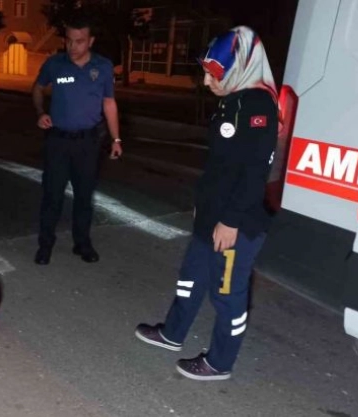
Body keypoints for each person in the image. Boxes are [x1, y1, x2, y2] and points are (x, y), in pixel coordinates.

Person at [135, 26, 279, 381]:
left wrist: (231, 221)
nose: (206, 81)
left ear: (241, 67)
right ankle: (172, 334)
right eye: (207, 71)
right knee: (190, 278)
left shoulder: (257, 105)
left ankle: (219, 363)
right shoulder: (233, 100)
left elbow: (254, 172)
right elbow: (221, 166)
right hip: (212, 215)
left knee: (227, 296)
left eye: (215, 74)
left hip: (236, 223)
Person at [31, 13, 123, 266]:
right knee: (52, 195)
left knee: (84, 196)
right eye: (69, 40)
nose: (73, 46)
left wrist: (116, 139)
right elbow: (38, 88)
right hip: (58, 142)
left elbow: (109, 103)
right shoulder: (55, 64)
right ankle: (45, 245)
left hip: (88, 143)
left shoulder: (103, 67)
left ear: (90, 41)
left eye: (79, 41)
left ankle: (82, 243)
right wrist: (40, 112)